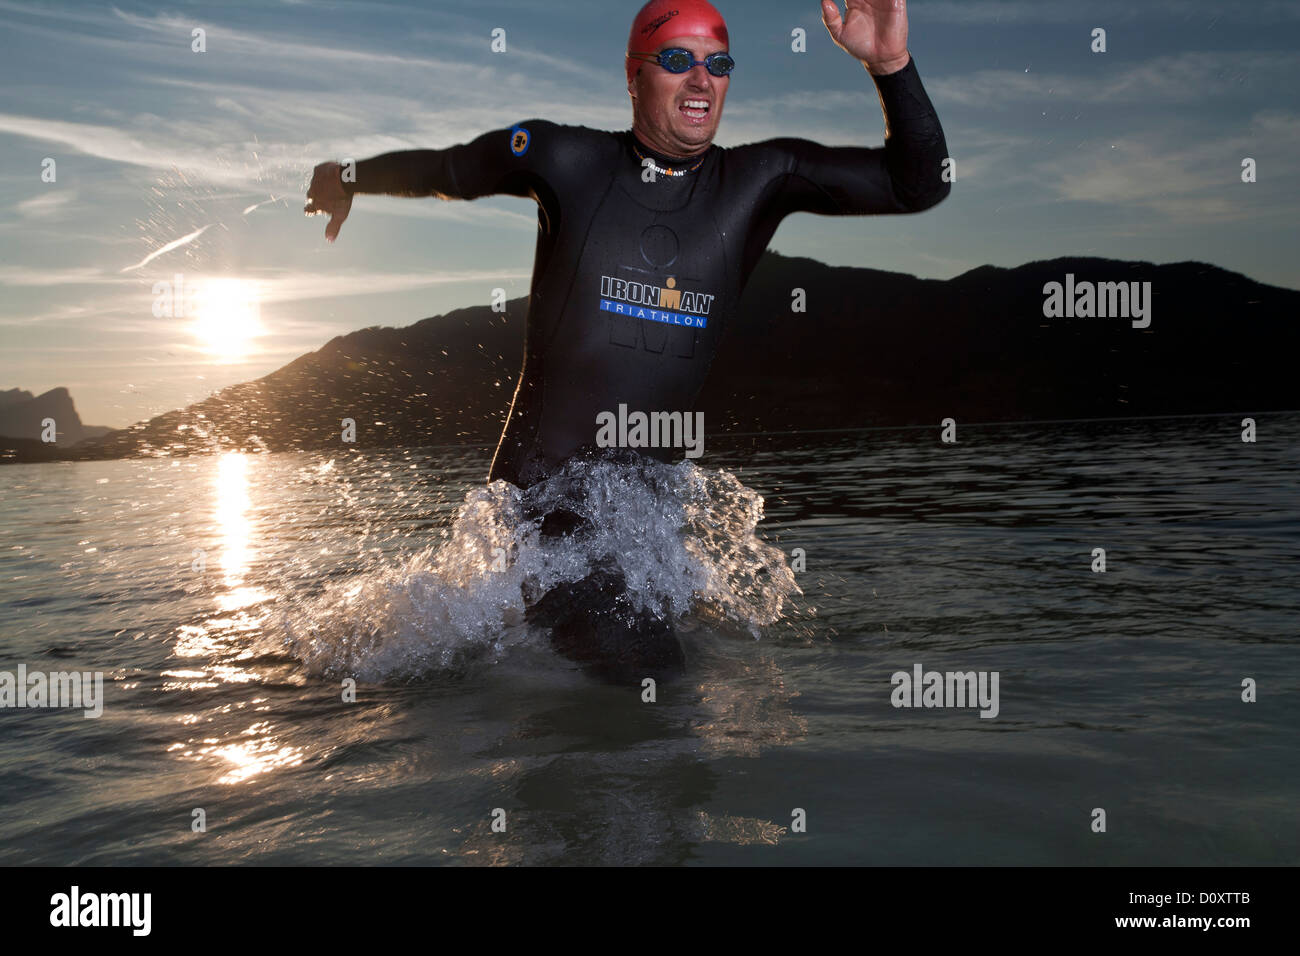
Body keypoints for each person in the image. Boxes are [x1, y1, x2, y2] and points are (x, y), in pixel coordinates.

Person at [305, 0, 950, 680]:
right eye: (677, 60)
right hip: (540, 510)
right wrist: (346, 177)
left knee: (668, 649)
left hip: (643, 524)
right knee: (652, 671)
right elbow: (450, 169)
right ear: (634, 75)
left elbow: (920, 185)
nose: (701, 79)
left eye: (718, 64)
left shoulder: (761, 181)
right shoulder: (563, 159)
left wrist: (891, 67)